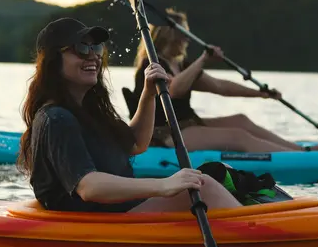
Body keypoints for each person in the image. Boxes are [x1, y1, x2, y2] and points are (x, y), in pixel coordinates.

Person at [17, 17, 241, 213]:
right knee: (206, 186)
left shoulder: (88, 112)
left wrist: (148, 95)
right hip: (96, 220)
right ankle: (263, 235)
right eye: (81, 49)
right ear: (53, 61)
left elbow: (136, 143)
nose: (93, 56)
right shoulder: (56, 118)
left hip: (120, 209)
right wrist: (163, 185)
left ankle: (267, 215)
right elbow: (89, 187)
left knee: (221, 172)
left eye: (96, 48)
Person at [133, 9, 318, 152]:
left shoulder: (181, 64)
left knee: (241, 120)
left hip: (187, 124)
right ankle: (304, 158)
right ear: (171, 36)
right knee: (237, 136)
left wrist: (260, 94)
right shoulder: (151, 65)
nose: (188, 38)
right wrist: (204, 59)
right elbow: (174, 90)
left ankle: (305, 151)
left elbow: (219, 86)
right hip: (165, 135)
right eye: (184, 34)